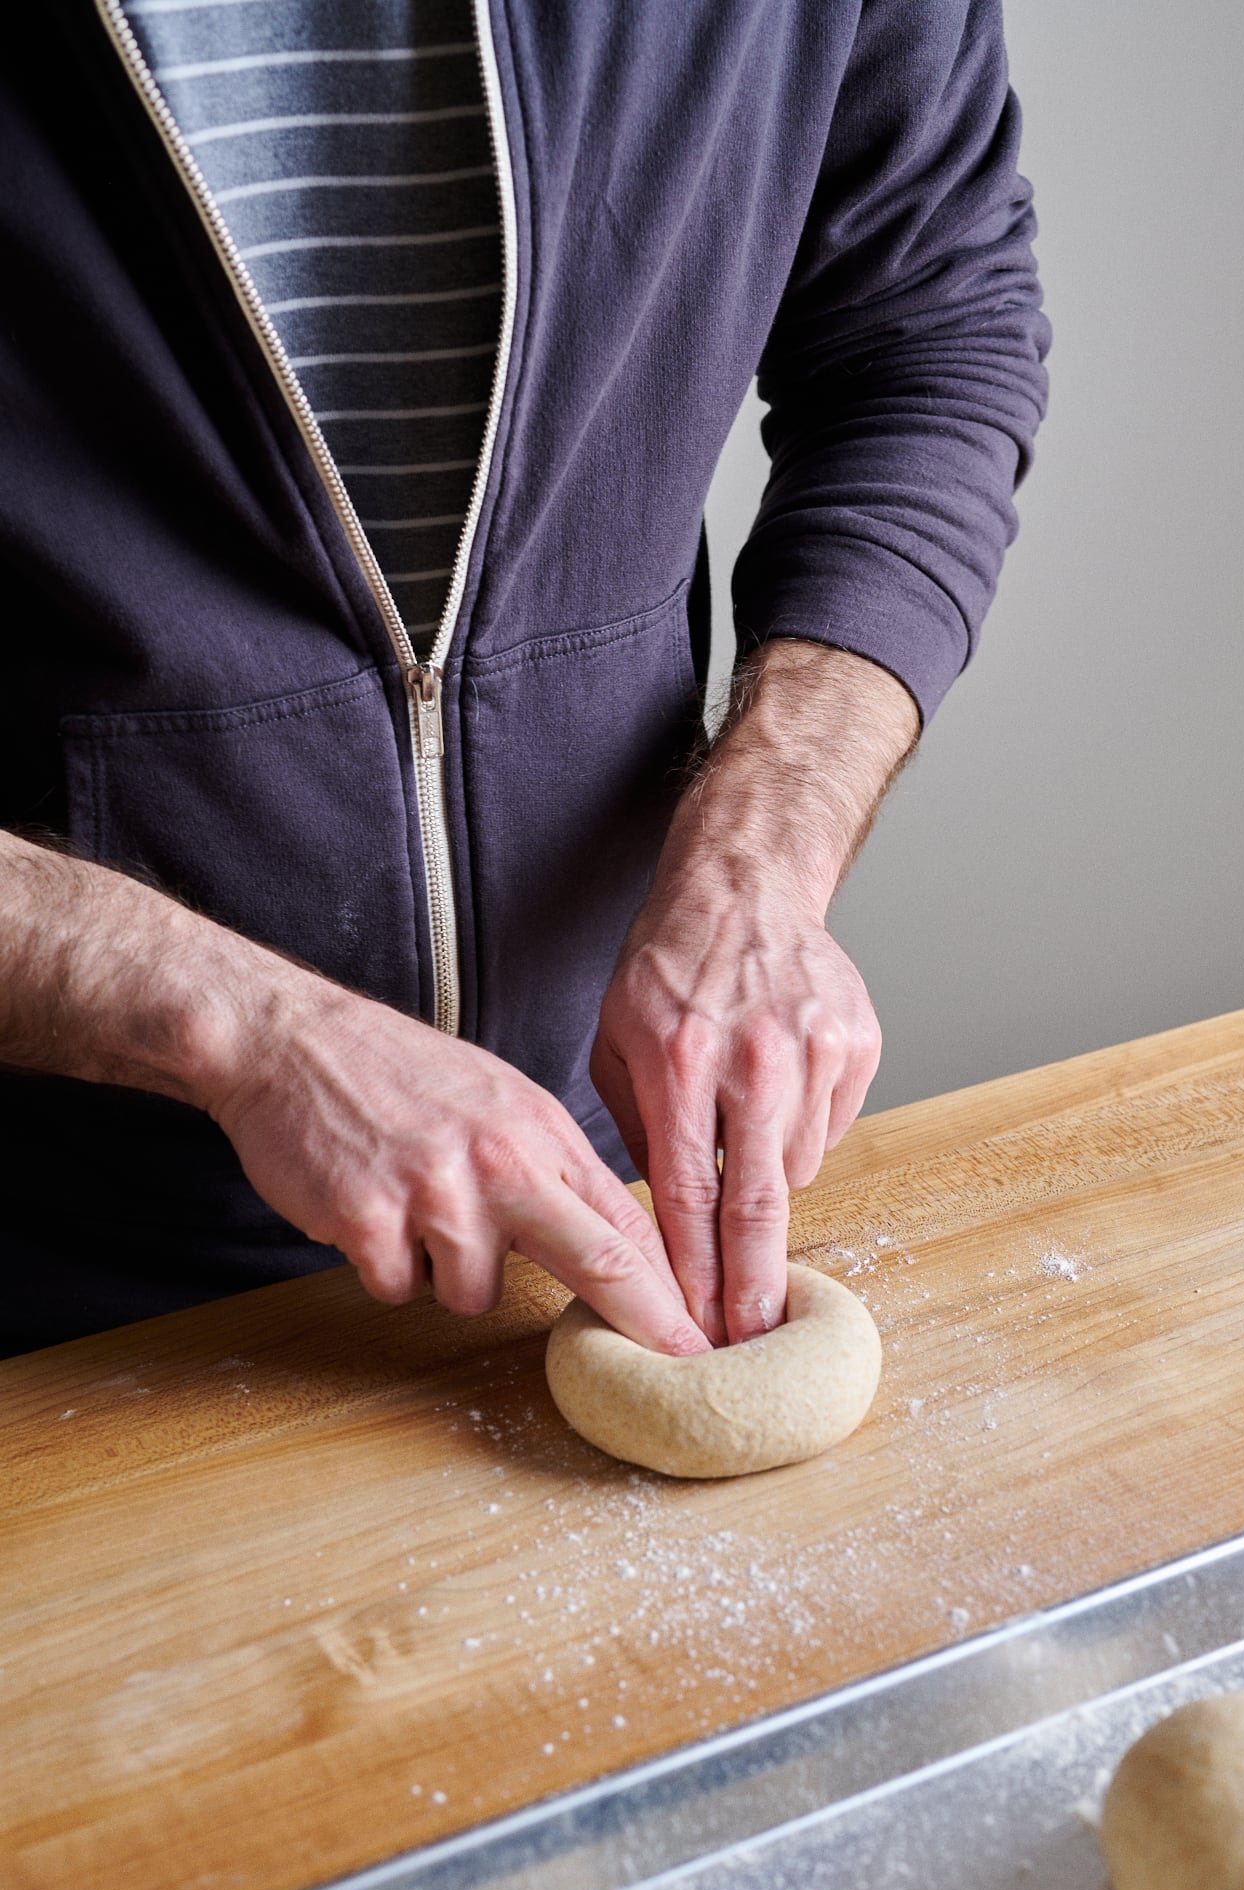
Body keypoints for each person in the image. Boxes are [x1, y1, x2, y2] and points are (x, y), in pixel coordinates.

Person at [0, 0, 1048, 1361]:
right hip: (44, 1244)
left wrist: (758, 853)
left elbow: (925, 333)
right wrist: (238, 1027)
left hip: (580, 1176)